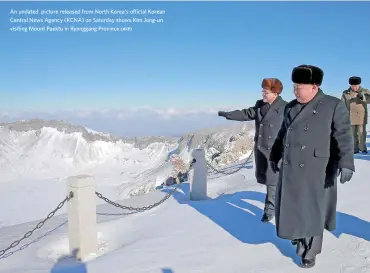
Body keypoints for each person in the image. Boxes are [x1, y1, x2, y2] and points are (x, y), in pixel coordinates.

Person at [269, 65, 355, 268]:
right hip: (291, 168)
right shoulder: (290, 107)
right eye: (294, 86)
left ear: (314, 87)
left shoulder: (333, 105)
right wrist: (274, 156)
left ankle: (311, 251)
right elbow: (282, 134)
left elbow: (343, 135)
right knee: (294, 208)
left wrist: (346, 163)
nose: (295, 90)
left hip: (318, 169)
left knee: (313, 211)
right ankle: (298, 237)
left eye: (299, 86)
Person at [218, 78, 287, 222]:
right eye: (263, 90)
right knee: (270, 181)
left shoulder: (286, 107)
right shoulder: (260, 106)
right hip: (262, 150)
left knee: (273, 182)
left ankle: (270, 211)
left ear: (275, 93)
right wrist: (228, 115)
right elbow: (246, 114)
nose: (263, 93)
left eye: (265, 91)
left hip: (276, 151)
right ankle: (272, 209)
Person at [341, 76, 370, 154]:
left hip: (362, 117)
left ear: (359, 84)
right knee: (352, 134)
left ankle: (363, 148)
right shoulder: (345, 93)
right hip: (350, 117)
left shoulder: (365, 91)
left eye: (356, 86)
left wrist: (363, 97)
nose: (354, 87)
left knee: (362, 134)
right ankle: (354, 149)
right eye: (353, 86)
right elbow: (342, 104)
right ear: (350, 85)